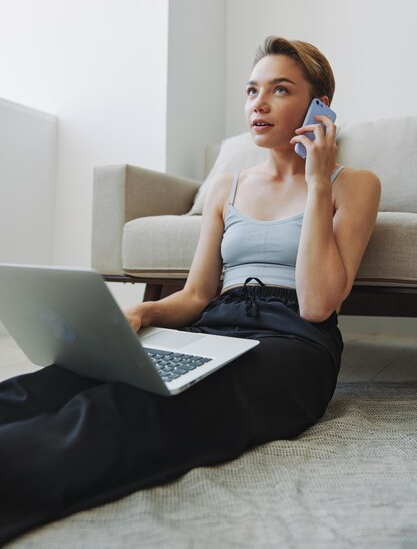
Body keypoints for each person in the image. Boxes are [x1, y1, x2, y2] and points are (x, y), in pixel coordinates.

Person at [0, 36, 381, 544]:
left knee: (136, 408)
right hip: (215, 325)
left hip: (292, 345)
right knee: (63, 379)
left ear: (319, 107)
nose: (258, 104)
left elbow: (316, 305)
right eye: (251, 91)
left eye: (280, 90)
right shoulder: (228, 185)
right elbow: (198, 295)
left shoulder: (353, 184)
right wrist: (141, 315)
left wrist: (315, 183)